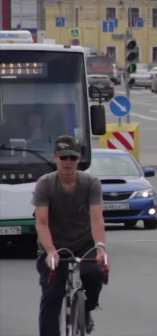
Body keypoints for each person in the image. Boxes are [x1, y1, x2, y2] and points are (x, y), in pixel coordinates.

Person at [33, 135, 110, 335]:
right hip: (54, 243)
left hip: (84, 241)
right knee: (52, 295)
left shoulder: (91, 183)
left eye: (72, 158)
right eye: (63, 157)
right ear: (55, 158)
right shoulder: (45, 184)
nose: (68, 162)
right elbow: (41, 223)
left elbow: (96, 218)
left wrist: (100, 246)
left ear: (78, 160)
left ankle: (87, 308)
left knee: (93, 273)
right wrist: (50, 251)